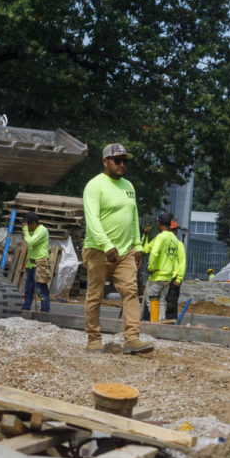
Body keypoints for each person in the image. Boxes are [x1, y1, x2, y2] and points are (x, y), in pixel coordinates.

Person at [83, 143, 153, 354]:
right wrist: (106, 245)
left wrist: (138, 246)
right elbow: (92, 219)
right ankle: (94, 339)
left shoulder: (129, 187)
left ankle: (132, 339)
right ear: (105, 161)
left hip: (125, 252)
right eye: (117, 160)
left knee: (131, 292)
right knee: (95, 296)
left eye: (125, 161)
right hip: (98, 250)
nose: (122, 164)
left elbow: (133, 218)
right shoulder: (95, 186)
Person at [142, 212, 180, 321]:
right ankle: (162, 321)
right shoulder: (174, 239)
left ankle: (155, 322)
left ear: (159, 224)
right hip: (168, 276)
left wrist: (150, 267)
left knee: (151, 298)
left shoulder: (160, 237)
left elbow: (152, 253)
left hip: (158, 275)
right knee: (162, 300)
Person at [20, 210, 51, 313]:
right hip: (32, 265)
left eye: (28, 225)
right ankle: (25, 309)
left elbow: (30, 242)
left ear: (34, 223)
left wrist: (24, 230)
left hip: (39, 265)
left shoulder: (42, 230)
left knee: (41, 291)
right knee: (28, 290)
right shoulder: (33, 232)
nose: (27, 227)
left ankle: (45, 312)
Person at [164, 221, 187, 321]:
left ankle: (171, 323)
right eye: (173, 230)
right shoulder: (163, 242)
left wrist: (179, 278)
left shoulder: (179, 244)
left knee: (172, 303)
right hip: (163, 275)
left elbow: (182, 262)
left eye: (175, 230)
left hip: (174, 277)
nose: (175, 232)